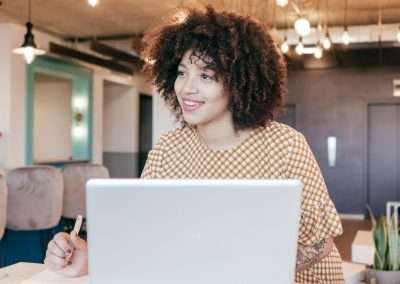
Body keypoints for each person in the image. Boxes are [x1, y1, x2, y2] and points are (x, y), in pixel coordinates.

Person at [44, 6, 344, 283]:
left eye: (206, 75)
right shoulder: (168, 149)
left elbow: (319, 242)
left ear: (240, 83)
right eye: (182, 72)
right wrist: (90, 258)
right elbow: (146, 233)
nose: (187, 88)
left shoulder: (285, 145)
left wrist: (237, 266)